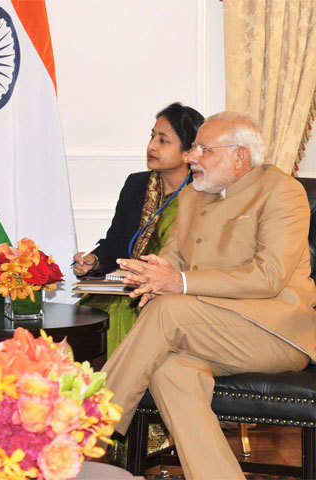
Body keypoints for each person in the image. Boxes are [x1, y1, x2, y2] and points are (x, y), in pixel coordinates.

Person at [104, 112, 316, 479]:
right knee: (171, 372)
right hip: (207, 329)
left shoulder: (282, 192)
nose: (192, 158)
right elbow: (173, 259)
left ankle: (86, 424)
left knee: (169, 310)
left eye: (204, 149)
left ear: (240, 157)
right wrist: (153, 273)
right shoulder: (191, 196)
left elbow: (268, 277)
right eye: (194, 149)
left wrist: (179, 283)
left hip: (275, 332)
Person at [73, 103, 204, 354]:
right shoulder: (137, 184)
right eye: (152, 136)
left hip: (169, 291)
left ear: (188, 152)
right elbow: (117, 243)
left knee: (118, 314)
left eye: (163, 140)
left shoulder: (201, 193)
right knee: (88, 315)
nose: (152, 146)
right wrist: (94, 260)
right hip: (126, 285)